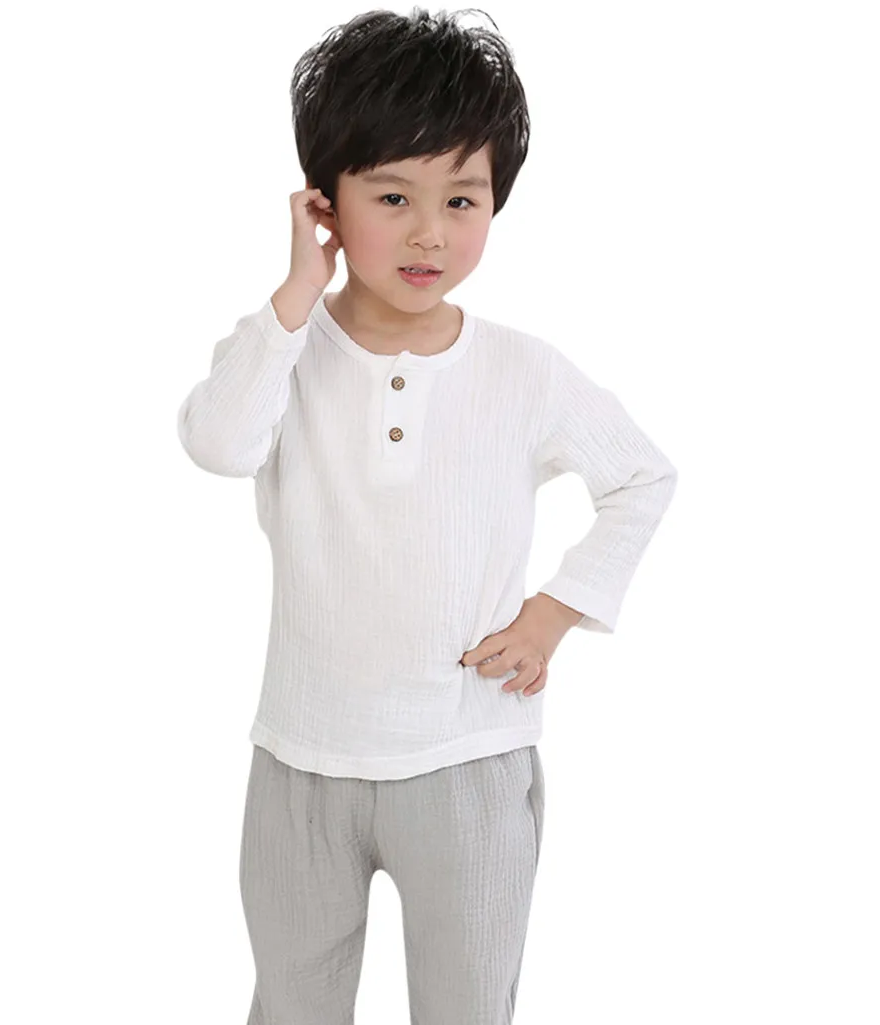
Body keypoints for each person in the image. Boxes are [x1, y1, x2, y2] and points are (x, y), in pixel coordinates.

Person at [176, 7, 678, 1023]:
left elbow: (642, 476)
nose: (429, 233)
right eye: (392, 195)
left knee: (466, 1006)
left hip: (467, 758)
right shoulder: (280, 349)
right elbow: (219, 445)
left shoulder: (524, 371)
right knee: (292, 1004)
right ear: (325, 201)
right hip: (302, 757)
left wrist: (554, 612)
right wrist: (295, 292)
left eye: (461, 198)